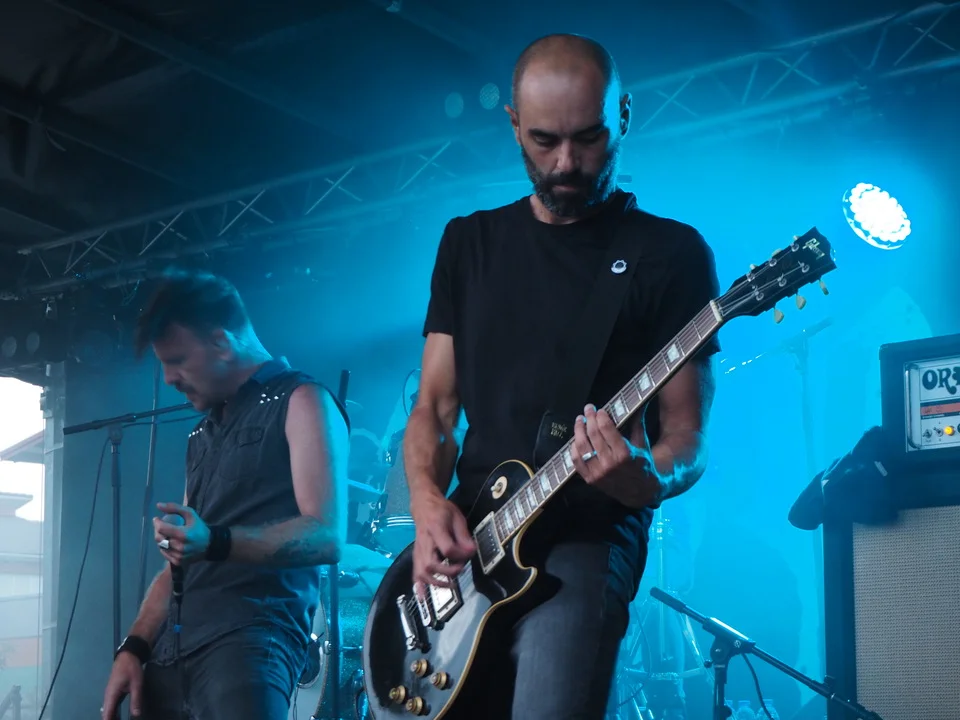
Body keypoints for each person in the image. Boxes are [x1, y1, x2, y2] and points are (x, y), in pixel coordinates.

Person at [403, 33, 720, 718]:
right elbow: (433, 408)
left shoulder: (670, 254)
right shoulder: (469, 243)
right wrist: (427, 504)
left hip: (588, 534)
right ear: (514, 124)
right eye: (544, 141)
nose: (567, 163)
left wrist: (648, 476)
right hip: (474, 537)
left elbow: (687, 437)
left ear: (623, 116)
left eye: (589, 137)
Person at [100, 270, 349, 720]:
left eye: (177, 360)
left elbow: (326, 534)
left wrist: (215, 541)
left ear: (221, 342)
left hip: (249, 642)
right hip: (171, 655)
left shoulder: (302, 399)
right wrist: (133, 647)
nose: (168, 378)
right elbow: (180, 561)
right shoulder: (201, 434)